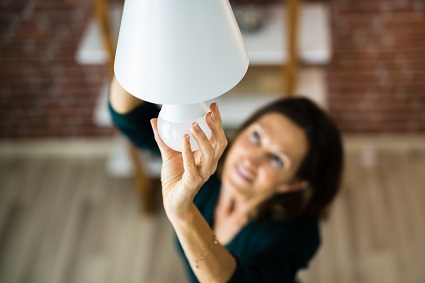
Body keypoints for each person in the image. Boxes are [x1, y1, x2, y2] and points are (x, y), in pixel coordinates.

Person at [109, 76, 344, 282]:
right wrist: (137, 56)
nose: (251, 159)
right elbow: (130, 118)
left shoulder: (299, 233)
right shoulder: (206, 164)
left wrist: (182, 214)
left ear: (294, 183)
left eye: (277, 159)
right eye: (256, 136)